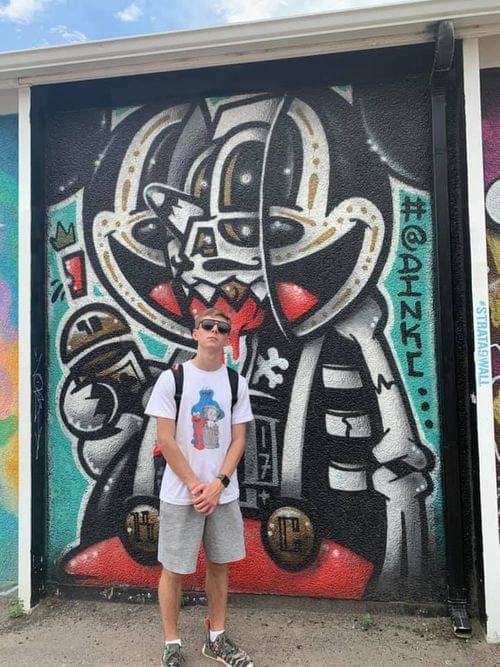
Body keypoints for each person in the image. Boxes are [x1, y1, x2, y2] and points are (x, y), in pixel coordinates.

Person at [145, 307, 254, 667]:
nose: (214, 331)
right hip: (181, 494)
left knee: (219, 566)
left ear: (227, 337)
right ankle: (171, 643)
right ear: (195, 333)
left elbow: (239, 439)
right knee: (174, 569)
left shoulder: (236, 383)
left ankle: (217, 638)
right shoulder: (172, 379)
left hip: (222, 494)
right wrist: (196, 486)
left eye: (222, 328)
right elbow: (165, 439)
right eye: (207, 325)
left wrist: (218, 484)